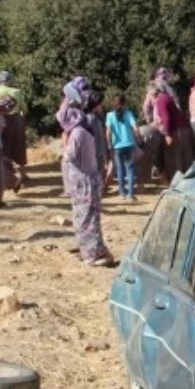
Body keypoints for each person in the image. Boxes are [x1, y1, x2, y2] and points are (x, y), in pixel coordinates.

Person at [60, 105, 117, 267]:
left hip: (84, 184)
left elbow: (69, 156)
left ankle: (92, 254)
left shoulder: (77, 134)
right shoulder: (83, 132)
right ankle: (92, 250)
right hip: (85, 183)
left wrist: (64, 143)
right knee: (86, 217)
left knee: (86, 219)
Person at [153, 82, 194, 182]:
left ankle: (177, 183)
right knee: (187, 158)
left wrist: (167, 134)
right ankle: (190, 181)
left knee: (175, 159)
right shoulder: (167, 97)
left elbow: (166, 118)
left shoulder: (161, 100)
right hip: (183, 129)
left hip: (176, 131)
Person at [106, 94, 142, 202]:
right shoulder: (129, 114)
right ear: (124, 103)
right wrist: (138, 138)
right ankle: (131, 194)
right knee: (130, 169)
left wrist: (109, 143)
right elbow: (135, 128)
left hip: (117, 146)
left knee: (120, 169)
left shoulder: (110, 115)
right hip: (129, 144)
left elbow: (108, 132)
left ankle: (122, 192)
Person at [0, 95, 26, 194]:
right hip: (3, 144)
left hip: (1, 144)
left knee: (2, 166)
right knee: (4, 165)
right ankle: (11, 182)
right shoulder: (15, 117)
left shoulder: (1, 117)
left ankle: (13, 182)